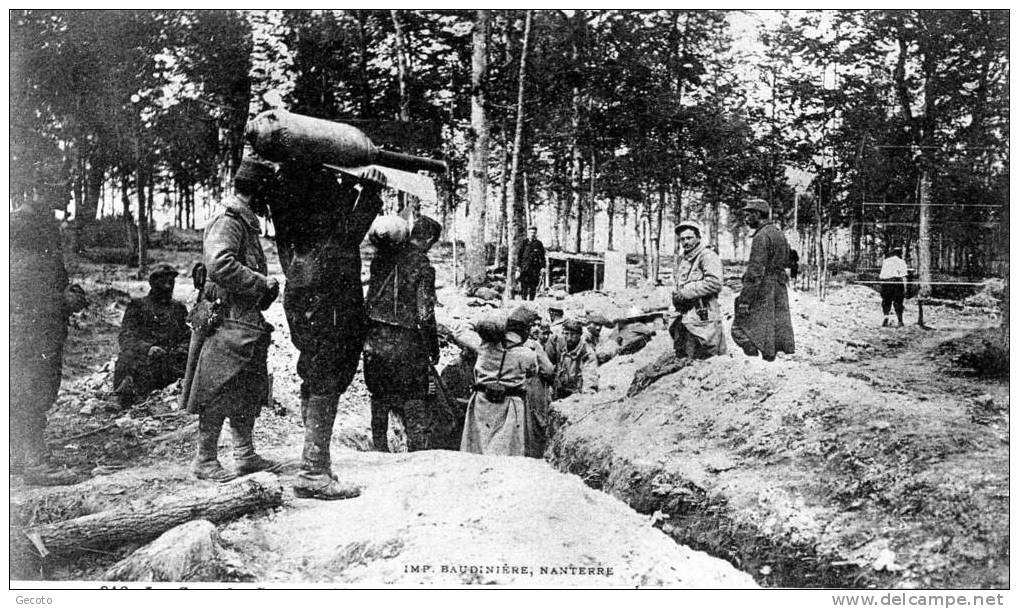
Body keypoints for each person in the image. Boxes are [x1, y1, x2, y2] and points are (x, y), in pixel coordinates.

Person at [268, 162, 386, 499]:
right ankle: (312, 471)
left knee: (315, 372)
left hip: (305, 289)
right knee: (327, 376)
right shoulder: (313, 191)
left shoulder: (284, 186)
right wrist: (369, 192)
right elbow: (343, 234)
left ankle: (317, 462)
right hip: (328, 293)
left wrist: (352, 187)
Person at [185, 155, 282, 483]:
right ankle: (205, 459)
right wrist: (261, 283)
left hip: (242, 318)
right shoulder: (229, 219)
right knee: (218, 385)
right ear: (259, 191)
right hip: (225, 318)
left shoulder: (244, 219)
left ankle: (244, 454)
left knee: (247, 384)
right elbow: (220, 264)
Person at [10, 180, 88, 486]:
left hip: (39, 327)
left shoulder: (40, 225)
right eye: (63, 189)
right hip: (27, 329)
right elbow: (18, 289)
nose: (68, 195)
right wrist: (62, 301)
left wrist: (65, 293)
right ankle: (36, 462)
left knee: (31, 387)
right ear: (41, 190)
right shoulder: (23, 226)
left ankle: (18, 456)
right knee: (31, 389)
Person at [364, 215, 442, 452]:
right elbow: (425, 314)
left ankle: (379, 449)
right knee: (413, 397)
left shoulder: (381, 258)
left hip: (375, 339)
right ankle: (416, 453)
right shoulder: (423, 267)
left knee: (379, 394)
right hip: (407, 343)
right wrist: (433, 348)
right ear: (429, 239)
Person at [458, 308, 550, 456]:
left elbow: (460, 332)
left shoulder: (484, 345)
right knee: (505, 451)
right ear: (525, 331)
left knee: (477, 447)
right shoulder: (527, 354)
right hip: (510, 405)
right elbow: (533, 372)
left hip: (481, 401)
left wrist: (482, 322)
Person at [113, 264, 190, 407]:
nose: (168, 287)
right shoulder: (138, 306)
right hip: (146, 361)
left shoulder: (178, 308)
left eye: (171, 282)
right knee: (127, 359)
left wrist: (181, 349)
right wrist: (148, 348)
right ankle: (129, 395)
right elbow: (126, 337)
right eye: (163, 282)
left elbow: (187, 336)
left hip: (170, 362)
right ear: (152, 283)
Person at [731, 198, 795, 361]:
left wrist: (745, 301)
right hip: (778, 290)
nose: (746, 219)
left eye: (749, 214)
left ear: (758, 214)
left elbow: (755, 273)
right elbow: (790, 259)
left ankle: (754, 363)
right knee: (770, 334)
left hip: (763, 291)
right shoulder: (778, 233)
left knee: (739, 328)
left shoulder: (761, 236)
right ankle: (767, 364)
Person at [670, 220, 727, 359]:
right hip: (686, 317)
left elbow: (715, 282)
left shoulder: (707, 256)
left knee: (708, 357)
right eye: (682, 239)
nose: (685, 242)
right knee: (685, 358)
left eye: (689, 238)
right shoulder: (684, 259)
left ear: (698, 238)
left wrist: (686, 292)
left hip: (704, 316)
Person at [547, 318, 600, 400]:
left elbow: (590, 377)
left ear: (580, 335)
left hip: (576, 396)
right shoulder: (561, 345)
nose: (569, 338)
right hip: (559, 392)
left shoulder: (587, 352)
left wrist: (586, 396)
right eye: (566, 334)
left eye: (573, 334)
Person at [879, 247, 908, 327]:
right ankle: (900, 321)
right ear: (900, 254)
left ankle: (886, 316)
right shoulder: (901, 262)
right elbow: (904, 276)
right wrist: (905, 288)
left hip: (886, 283)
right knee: (898, 302)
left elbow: (881, 276)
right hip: (896, 283)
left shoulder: (886, 262)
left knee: (886, 301)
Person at [516, 226, 546, 301]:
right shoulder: (524, 243)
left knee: (533, 286)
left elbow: (542, 257)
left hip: (535, 269)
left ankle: (531, 302)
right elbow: (519, 255)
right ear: (528, 233)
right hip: (525, 268)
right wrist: (518, 267)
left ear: (536, 234)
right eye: (531, 232)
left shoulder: (538, 244)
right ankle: (524, 301)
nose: (532, 234)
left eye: (534, 233)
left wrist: (543, 267)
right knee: (524, 286)